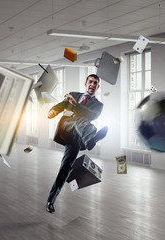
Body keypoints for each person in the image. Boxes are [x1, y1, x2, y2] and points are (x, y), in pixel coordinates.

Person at [46, 74, 108, 213]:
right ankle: (92, 139)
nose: (92, 84)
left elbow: (92, 115)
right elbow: (62, 105)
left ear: (98, 87)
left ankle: (50, 200)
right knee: (79, 119)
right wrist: (53, 111)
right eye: (90, 82)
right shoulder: (74, 94)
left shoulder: (98, 105)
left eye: (95, 83)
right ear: (86, 83)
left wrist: (75, 104)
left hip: (78, 137)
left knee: (66, 167)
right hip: (67, 128)